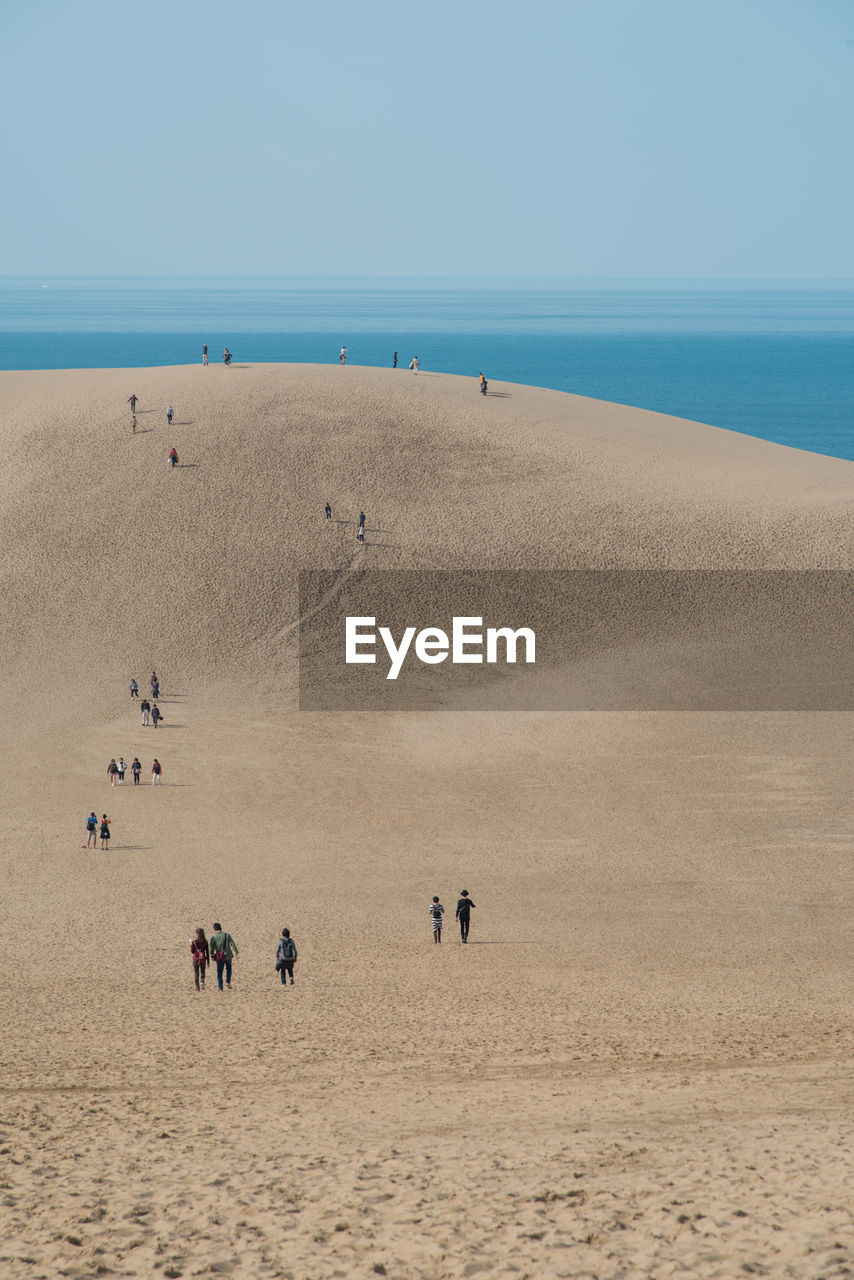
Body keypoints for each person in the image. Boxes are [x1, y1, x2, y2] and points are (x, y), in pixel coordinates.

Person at [209, 922, 239, 990]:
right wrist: (236, 953)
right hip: (228, 955)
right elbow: (232, 944)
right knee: (229, 969)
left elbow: (211, 947)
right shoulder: (227, 935)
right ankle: (228, 981)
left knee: (219, 972)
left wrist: (211, 955)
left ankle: (220, 988)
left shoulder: (213, 937)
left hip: (220, 957)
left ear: (214, 929)